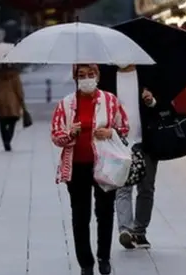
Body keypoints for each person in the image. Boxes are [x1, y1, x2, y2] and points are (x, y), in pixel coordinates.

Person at [50, 64, 129, 275]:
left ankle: (104, 256)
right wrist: (71, 132)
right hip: (77, 166)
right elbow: (56, 136)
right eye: (81, 75)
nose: (86, 79)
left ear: (98, 76)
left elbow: (124, 127)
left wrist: (110, 132)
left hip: (105, 164)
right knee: (80, 215)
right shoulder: (66, 104)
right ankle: (86, 262)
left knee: (105, 212)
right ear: (75, 78)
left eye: (90, 74)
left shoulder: (110, 101)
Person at [99, 64, 161, 249]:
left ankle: (139, 231)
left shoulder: (148, 74)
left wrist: (151, 101)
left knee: (146, 187)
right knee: (122, 186)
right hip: (119, 141)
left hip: (146, 140)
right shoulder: (107, 77)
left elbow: (163, 104)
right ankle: (125, 230)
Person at [0, 64, 25, 151]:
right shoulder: (15, 75)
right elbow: (19, 90)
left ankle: (5, 140)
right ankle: (8, 139)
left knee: (2, 123)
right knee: (12, 121)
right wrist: (22, 101)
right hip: (12, 102)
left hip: (1, 102)